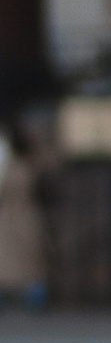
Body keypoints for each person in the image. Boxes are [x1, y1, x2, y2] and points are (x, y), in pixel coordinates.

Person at [0, 119, 49, 308]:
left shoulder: (25, 164)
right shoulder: (23, 164)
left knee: (25, 256)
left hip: (17, 215)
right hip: (16, 216)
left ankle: (33, 294)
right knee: (17, 256)